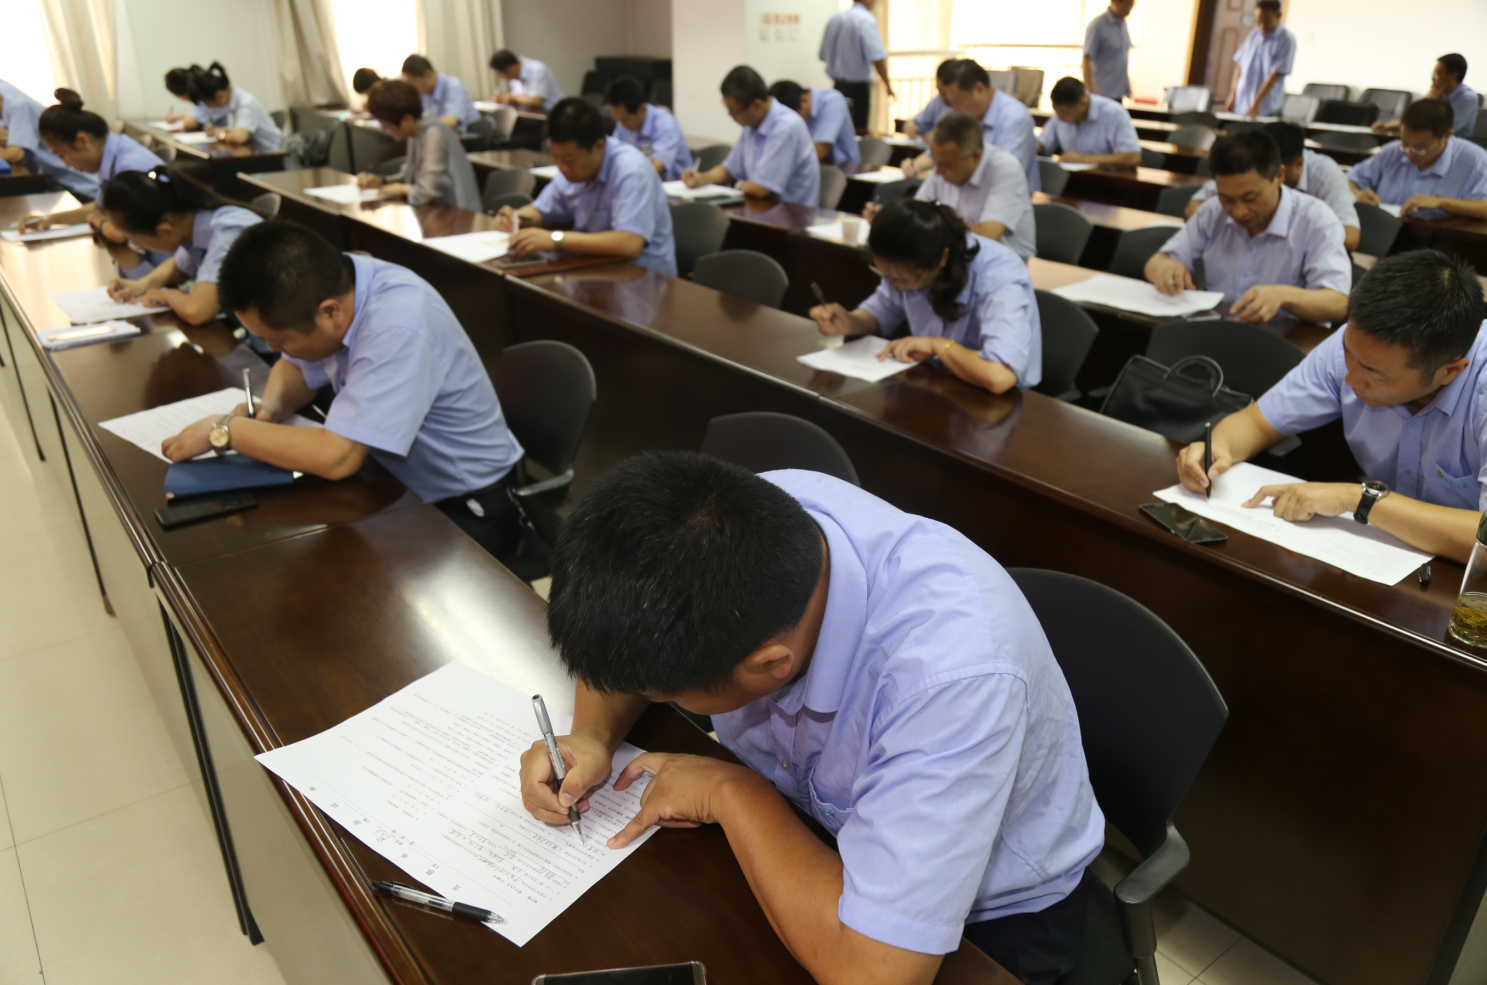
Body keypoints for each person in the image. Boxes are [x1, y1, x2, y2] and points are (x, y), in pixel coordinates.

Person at [522, 451, 1103, 984]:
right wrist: (592, 733)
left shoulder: (952, 679)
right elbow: (632, 643)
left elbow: (874, 974)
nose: (630, 692)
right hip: (812, 829)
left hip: (988, 921)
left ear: (768, 665)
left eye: (650, 689)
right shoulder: (731, 526)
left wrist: (731, 791)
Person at [162, 221, 526, 558]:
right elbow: (296, 366)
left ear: (330, 313)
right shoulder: (334, 282)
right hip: (389, 482)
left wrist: (227, 429)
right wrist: (270, 408)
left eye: (279, 340)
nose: (274, 350)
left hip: (465, 508)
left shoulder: (396, 326)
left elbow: (337, 457)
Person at [1175, 250, 1487, 563]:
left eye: (1375, 374)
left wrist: (1359, 499)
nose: (1350, 378)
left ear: (1450, 371)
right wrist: (1219, 447)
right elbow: (1258, 422)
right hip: (1384, 547)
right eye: (1349, 354)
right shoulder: (1358, 344)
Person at [810, 199, 1041, 394]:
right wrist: (850, 322)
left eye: (901, 279)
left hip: (1000, 402)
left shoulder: (999, 276)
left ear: (942, 258)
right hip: (939, 384)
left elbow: (998, 376)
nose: (894, 285)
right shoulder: (906, 258)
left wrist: (937, 345)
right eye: (886, 276)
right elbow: (881, 311)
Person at [1146, 130, 1349, 330]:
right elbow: (1157, 262)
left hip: (1289, 342)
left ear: (1279, 176)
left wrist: (1285, 296)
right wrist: (1165, 268)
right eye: (1227, 199)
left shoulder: (1316, 220)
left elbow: (1338, 303)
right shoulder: (1212, 212)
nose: (1239, 211)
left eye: (1250, 198)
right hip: (1221, 331)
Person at [494, 98, 676, 275]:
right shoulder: (573, 170)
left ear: (598, 146)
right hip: (593, 267)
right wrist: (516, 218)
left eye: (569, 159)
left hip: (642, 278)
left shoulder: (631, 171)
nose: (561, 166)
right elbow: (541, 210)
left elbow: (630, 243)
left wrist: (555, 239)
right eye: (555, 156)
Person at [18, 89, 165, 275]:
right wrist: (50, 219)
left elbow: (121, 233)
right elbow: (99, 207)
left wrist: (101, 222)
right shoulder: (111, 155)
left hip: (167, 266)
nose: (66, 164)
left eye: (62, 155)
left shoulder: (129, 166)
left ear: (83, 141)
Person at [101, 165, 263, 326]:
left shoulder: (229, 232)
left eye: (136, 241)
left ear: (165, 230)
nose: (138, 245)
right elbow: (179, 267)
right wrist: (141, 285)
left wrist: (168, 295)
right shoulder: (192, 222)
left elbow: (197, 312)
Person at [875, 110, 1033, 262]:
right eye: (935, 161)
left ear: (975, 156)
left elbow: (989, 235)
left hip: (1001, 266)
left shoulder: (1005, 169)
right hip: (954, 259)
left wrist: (931, 227)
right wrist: (892, 220)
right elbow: (919, 214)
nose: (937, 172)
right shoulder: (944, 164)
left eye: (946, 165)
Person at [1185, 120, 1360, 251]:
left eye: (1250, 197)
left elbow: (1350, 237)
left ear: (1297, 165)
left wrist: (1279, 236)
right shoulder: (1249, 166)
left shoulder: (1326, 174)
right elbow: (1194, 208)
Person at [681, 66, 819, 207]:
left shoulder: (786, 127)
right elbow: (729, 170)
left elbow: (761, 188)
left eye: (734, 111)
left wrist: (736, 185)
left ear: (756, 105)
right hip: (760, 209)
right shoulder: (752, 124)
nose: (730, 116)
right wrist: (702, 178)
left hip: (791, 214)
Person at [909, 60, 1039, 193]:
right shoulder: (967, 114)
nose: (954, 108)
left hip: (1008, 196)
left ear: (979, 89)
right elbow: (942, 152)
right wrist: (917, 165)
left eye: (958, 101)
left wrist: (943, 174)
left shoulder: (1015, 119)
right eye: (951, 103)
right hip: (969, 194)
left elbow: (1005, 174)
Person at [1349, 98, 1487, 222]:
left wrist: (1441, 202)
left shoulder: (1475, 160)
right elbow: (1349, 180)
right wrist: (1358, 194)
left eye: (1420, 148)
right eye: (1405, 144)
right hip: (1383, 230)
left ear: (1447, 136)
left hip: (1441, 237)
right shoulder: (1392, 152)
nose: (1409, 154)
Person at [356, 80, 481, 212]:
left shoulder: (434, 133)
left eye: (387, 126)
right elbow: (411, 174)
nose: (386, 130)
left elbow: (426, 192)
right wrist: (382, 181)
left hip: (458, 213)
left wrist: (403, 189)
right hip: (439, 210)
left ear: (406, 120)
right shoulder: (417, 130)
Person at [0, 79, 100, 201]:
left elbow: (13, 155)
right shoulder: (12, 109)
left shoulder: (18, 107)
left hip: (80, 185)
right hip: (61, 182)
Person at [818, 0, 895, 129]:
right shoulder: (866, 20)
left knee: (838, 127)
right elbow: (877, 58)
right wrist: (888, 85)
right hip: (858, 90)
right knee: (858, 131)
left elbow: (822, 56)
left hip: (838, 87)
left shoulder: (835, 19)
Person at [175, 62, 284, 151]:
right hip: (259, 153)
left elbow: (239, 137)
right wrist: (218, 130)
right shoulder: (232, 101)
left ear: (219, 96)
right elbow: (238, 127)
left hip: (276, 154)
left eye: (208, 104)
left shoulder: (245, 103)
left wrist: (219, 134)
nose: (208, 108)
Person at [1036, 77, 1140, 167]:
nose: (1059, 118)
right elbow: (1043, 143)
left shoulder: (1114, 114)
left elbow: (1133, 157)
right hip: (1069, 177)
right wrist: (1035, 146)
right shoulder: (1061, 115)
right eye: (1056, 112)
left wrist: (1083, 158)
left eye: (1063, 113)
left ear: (1083, 104)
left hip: (1106, 179)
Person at [603, 75, 692, 180]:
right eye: (618, 120)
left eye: (625, 119)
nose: (621, 125)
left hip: (676, 184)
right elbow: (612, 157)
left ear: (642, 109)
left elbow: (654, 168)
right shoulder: (623, 124)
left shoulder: (666, 124)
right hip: (642, 181)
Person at [1223, 0, 1295, 120]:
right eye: (1259, 21)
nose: (1262, 25)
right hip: (1241, 103)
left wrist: (1257, 102)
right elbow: (1241, 65)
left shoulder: (1286, 40)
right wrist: (1233, 94)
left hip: (1265, 107)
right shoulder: (1254, 34)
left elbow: (1275, 75)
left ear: (1278, 15)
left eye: (1266, 21)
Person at [1375, 55, 1477, 139]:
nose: (1432, 79)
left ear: (1453, 76)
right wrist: (1387, 126)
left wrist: (1430, 101)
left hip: (1454, 146)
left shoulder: (1467, 98)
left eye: (1437, 74)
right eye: (1433, 74)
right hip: (1428, 143)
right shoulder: (1437, 93)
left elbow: (1444, 129)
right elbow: (1413, 119)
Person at [769, 80, 859, 165]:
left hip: (845, 169)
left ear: (804, 100)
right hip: (815, 167)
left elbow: (820, 151)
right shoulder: (800, 108)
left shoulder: (833, 101)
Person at [400, 55, 479, 136]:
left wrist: (417, 123)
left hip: (468, 138)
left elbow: (452, 121)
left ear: (428, 75)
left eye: (413, 84)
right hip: (442, 136)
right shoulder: (424, 92)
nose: (413, 88)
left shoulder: (453, 86)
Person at [1082, 0, 1136, 101]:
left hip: (1118, 92)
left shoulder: (1123, 23)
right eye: (1128, 4)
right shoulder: (1097, 25)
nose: (1131, 8)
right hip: (1101, 93)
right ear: (1116, 3)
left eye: (1132, 4)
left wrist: (1127, 84)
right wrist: (1091, 94)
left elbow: (1121, 57)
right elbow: (1086, 59)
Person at [489, 50, 564, 113]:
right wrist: (504, 101)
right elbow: (522, 102)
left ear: (510, 68)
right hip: (531, 116)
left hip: (553, 116)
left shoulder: (537, 69)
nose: (502, 78)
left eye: (501, 74)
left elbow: (535, 101)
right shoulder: (514, 77)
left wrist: (512, 97)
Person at [905, 59, 962, 140]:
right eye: (939, 90)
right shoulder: (938, 101)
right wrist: (912, 125)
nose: (942, 96)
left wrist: (939, 138)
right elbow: (921, 121)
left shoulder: (965, 106)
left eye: (945, 92)